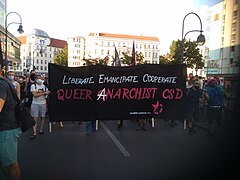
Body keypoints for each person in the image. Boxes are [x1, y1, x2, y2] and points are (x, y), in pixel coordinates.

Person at [0, 71, 22, 180]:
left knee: (10, 164)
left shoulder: (1, 85)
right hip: (6, 128)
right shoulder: (5, 83)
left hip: (6, 130)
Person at [30, 74, 51, 139]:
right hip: (35, 103)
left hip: (43, 103)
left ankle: (41, 130)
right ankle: (34, 132)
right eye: (38, 78)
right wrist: (44, 93)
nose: (39, 79)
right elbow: (34, 94)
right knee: (35, 118)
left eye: (40, 78)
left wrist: (46, 93)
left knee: (42, 117)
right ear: (35, 79)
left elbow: (47, 94)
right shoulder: (33, 86)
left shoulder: (44, 86)